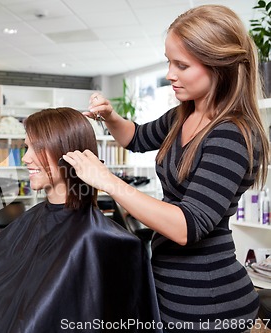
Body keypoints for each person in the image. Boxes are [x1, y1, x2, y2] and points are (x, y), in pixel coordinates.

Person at [63, 5, 269, 332]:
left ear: (220, 67)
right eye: (168, 61)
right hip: (170, 291)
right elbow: (136, 138)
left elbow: (187, 225)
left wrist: (107, 181)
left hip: (209, 304)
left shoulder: (232, 135)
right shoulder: (183, 115)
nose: (170, 74)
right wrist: (112, 117)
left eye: (182, 65)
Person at [0, 107, 160, 333]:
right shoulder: (37, 220)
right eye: (27, 147)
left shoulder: (100, 240)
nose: (26, 158)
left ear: (67, 152)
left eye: (37, 148)